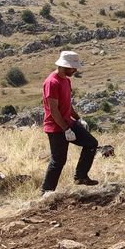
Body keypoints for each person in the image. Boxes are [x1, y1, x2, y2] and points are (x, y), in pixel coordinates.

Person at [41, 50, 99, 193]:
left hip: (68, 122)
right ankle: (46, 192)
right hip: (56, 127)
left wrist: (78, 119)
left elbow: (67, 103)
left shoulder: (66, 80)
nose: (74, 70)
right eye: (72, 68)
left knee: (91, 143)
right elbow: (54, 110)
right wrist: (66, 129)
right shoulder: (51, 82)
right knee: (58, 161)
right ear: (63, 66)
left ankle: (80, 176)